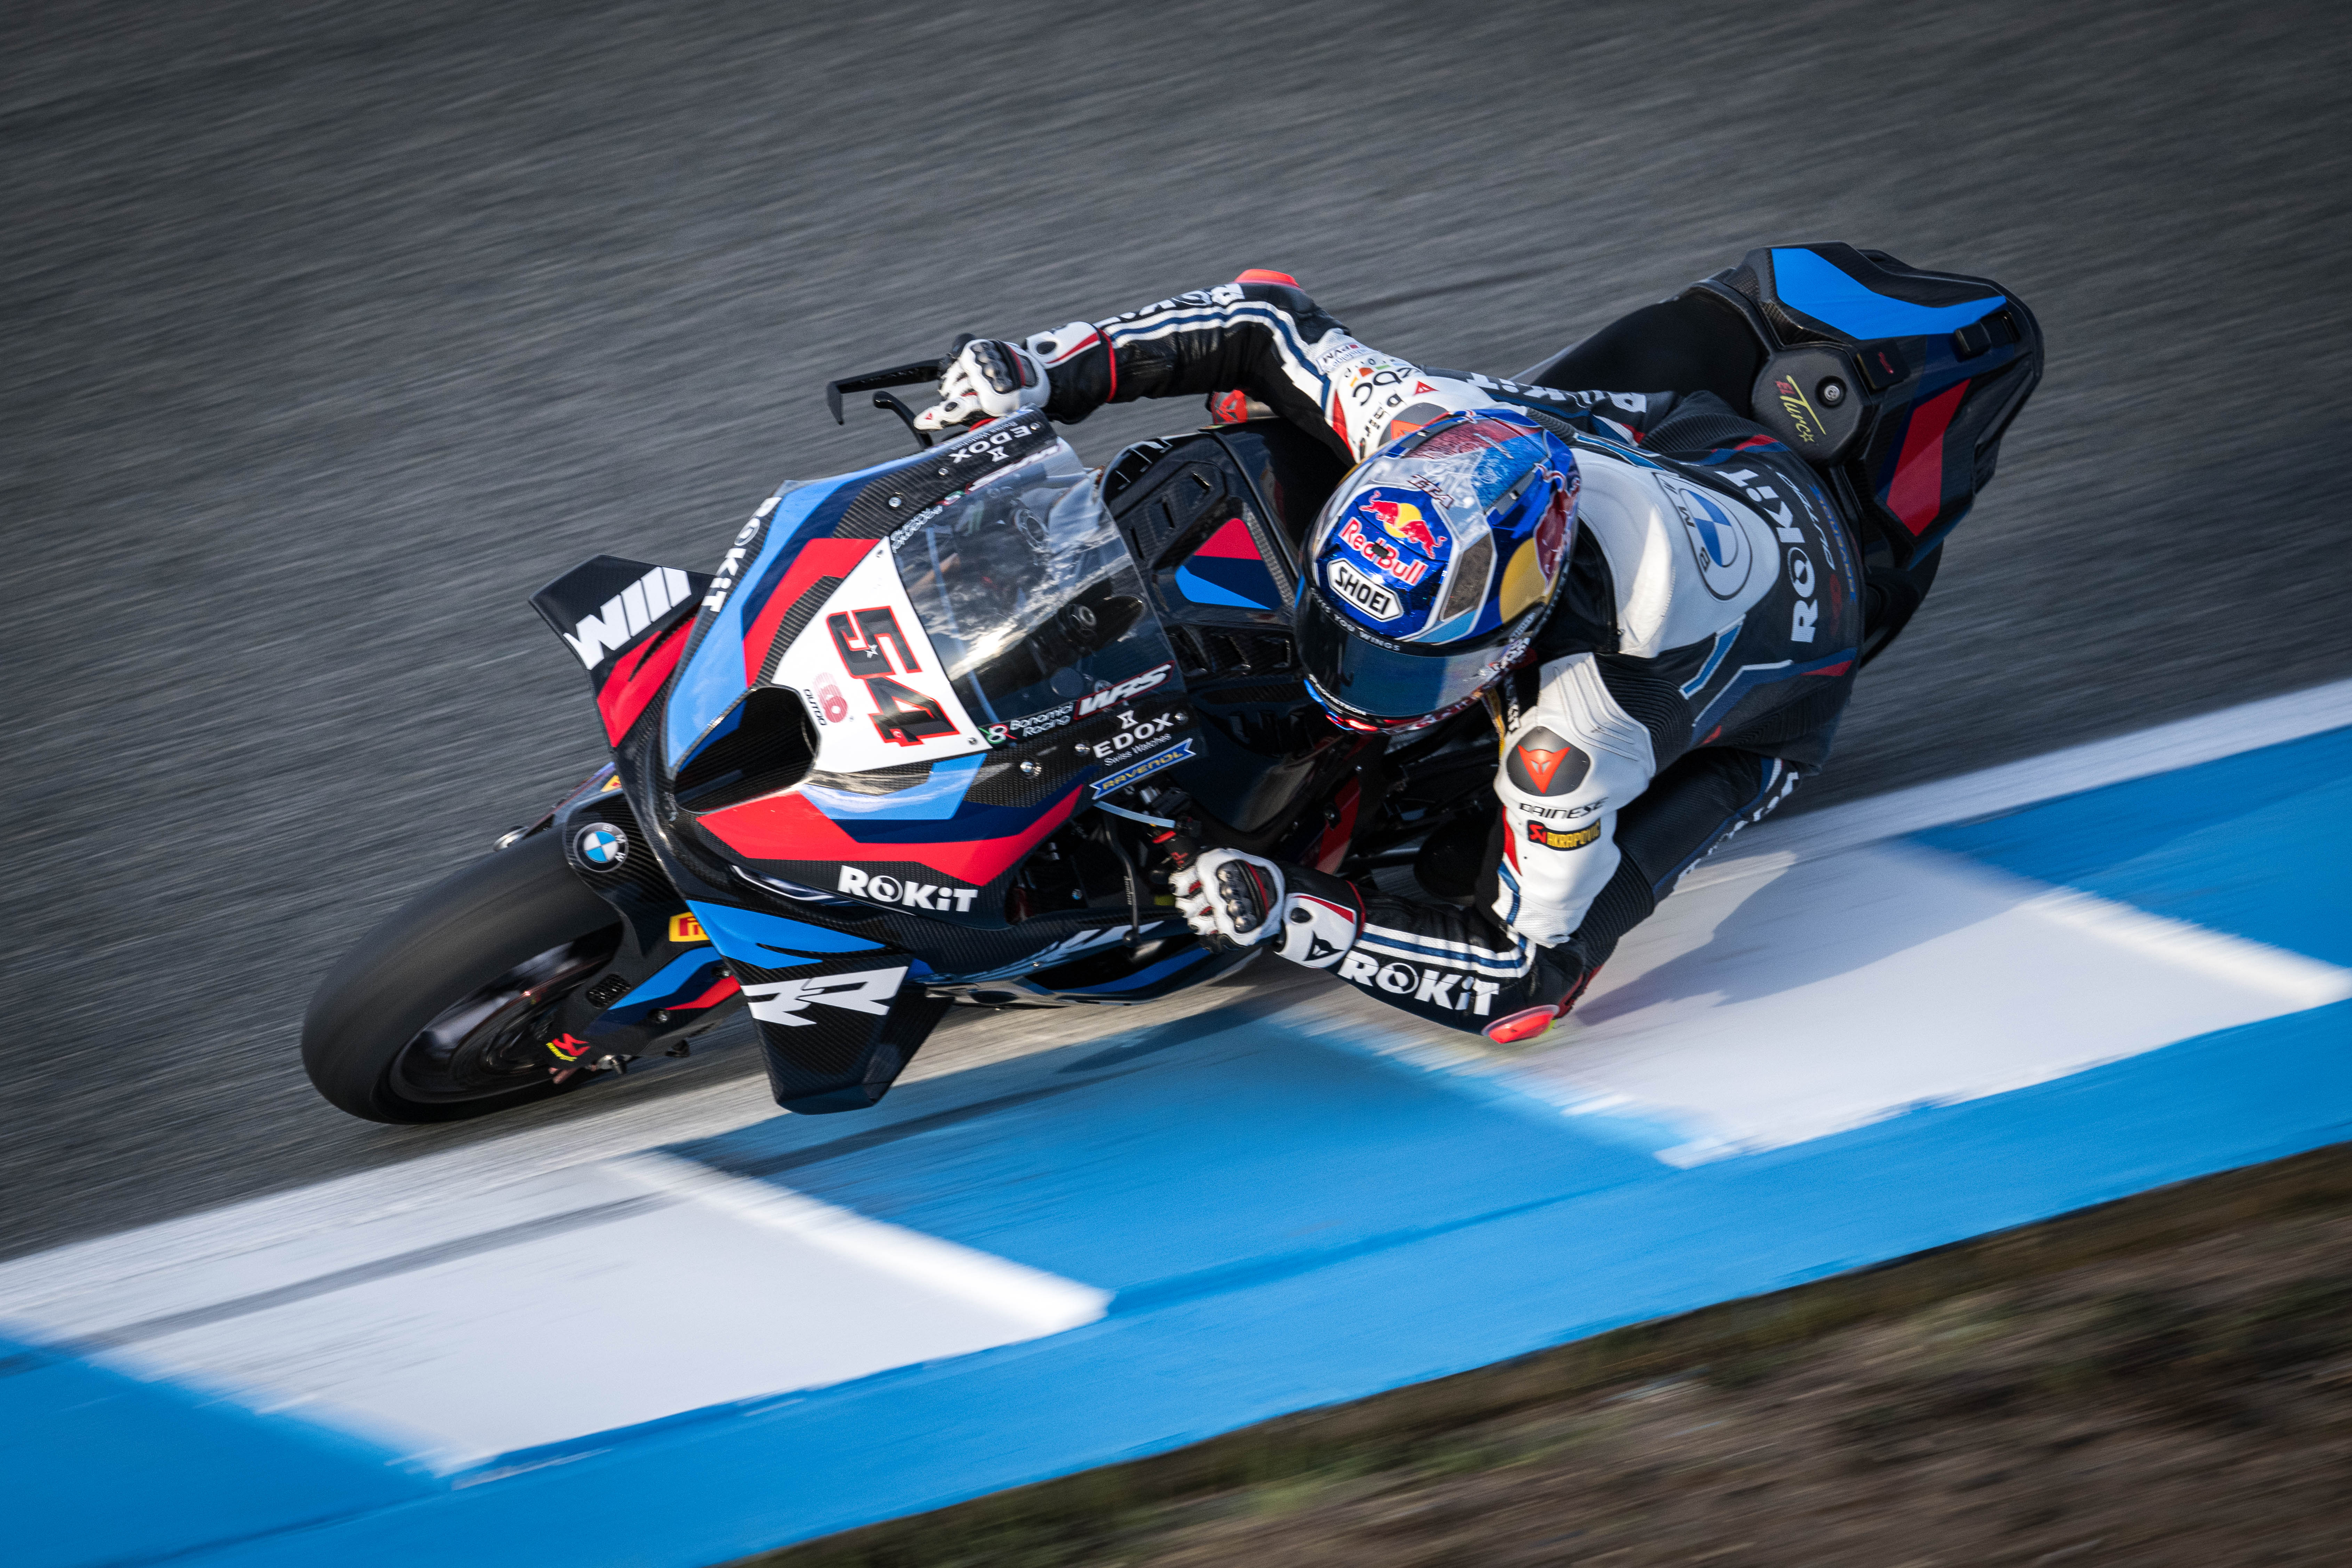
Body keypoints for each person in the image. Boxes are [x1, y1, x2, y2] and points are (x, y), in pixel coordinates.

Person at [907, 268, 1895, 1043]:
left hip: (1786, 683)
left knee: (1484, 884)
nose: (1347, 685)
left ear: (1515, 632)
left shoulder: (1574, 739)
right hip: (1693, 447)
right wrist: (1050, 366)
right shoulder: (1424, 424)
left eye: (1404, 669)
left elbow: (1520, 979)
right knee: (1259, 412)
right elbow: (1263, 319)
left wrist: (1293, 910)